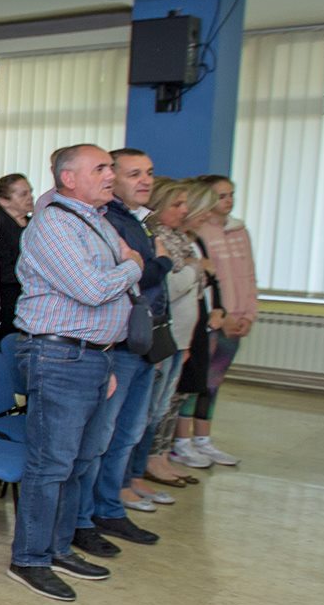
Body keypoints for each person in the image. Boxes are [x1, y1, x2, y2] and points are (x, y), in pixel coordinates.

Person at [4, 144, 145, 602]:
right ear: (68, 178)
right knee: (52, 465)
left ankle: (58, 548)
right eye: (100, 168)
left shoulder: (95, 219)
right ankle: (30, 559)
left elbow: (117, 280)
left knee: (79, 462)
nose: (111, 175)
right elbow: (92, 288)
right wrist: (131, 266)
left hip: (93, 356)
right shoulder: (55, 224)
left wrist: (104, 356)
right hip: (60, 356)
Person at [87, 148, 173, 540]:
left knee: (129, 431)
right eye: (133, 173)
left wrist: (149, 266)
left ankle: (110, 506)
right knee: (105, 434)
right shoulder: (108, 221)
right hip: (118, 343)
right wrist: (162, 264)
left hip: (143, 337)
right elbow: (132, 277)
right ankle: (92, 513)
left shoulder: (139, 221)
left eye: (149, 173)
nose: (145, 181)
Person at [175, 174, 256, 467]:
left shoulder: (239, 230)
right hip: (209, 320)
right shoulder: (199, 232)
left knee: (213, 383)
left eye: (231, 194)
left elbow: (247, 275)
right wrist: (219, 314)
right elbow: (206, 279)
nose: (228, 201)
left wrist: (247, 314)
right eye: (221, 196)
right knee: (193, 383)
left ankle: (203, 439)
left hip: (233, 318)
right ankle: (181, 442)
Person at [132, 179, 198, 504]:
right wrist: (195, 272)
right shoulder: (152, 235)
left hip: (177, 334)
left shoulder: (180, 239)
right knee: (144, 412)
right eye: (177, 204)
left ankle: (145, 467)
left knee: (159, 410)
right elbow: (165, 286)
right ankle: (133, 474)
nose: (184, 210)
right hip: (158, 332)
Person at [0, 173, 33, 341]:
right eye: (23, 194)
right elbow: (2, 267)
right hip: (7, 298)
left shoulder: (33, 223)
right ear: (4, 201)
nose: (30, 197)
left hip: (30, 296)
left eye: (30, 192)